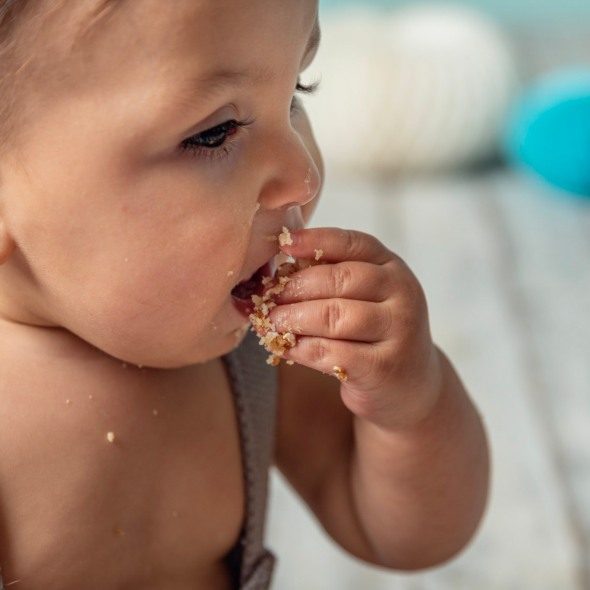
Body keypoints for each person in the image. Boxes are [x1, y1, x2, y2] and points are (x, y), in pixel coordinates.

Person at [0, 0, 489, 588]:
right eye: (214, 133)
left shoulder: (251, 355)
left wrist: (413, 405)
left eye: (296, 93)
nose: (303, 176)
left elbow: (404, 536)